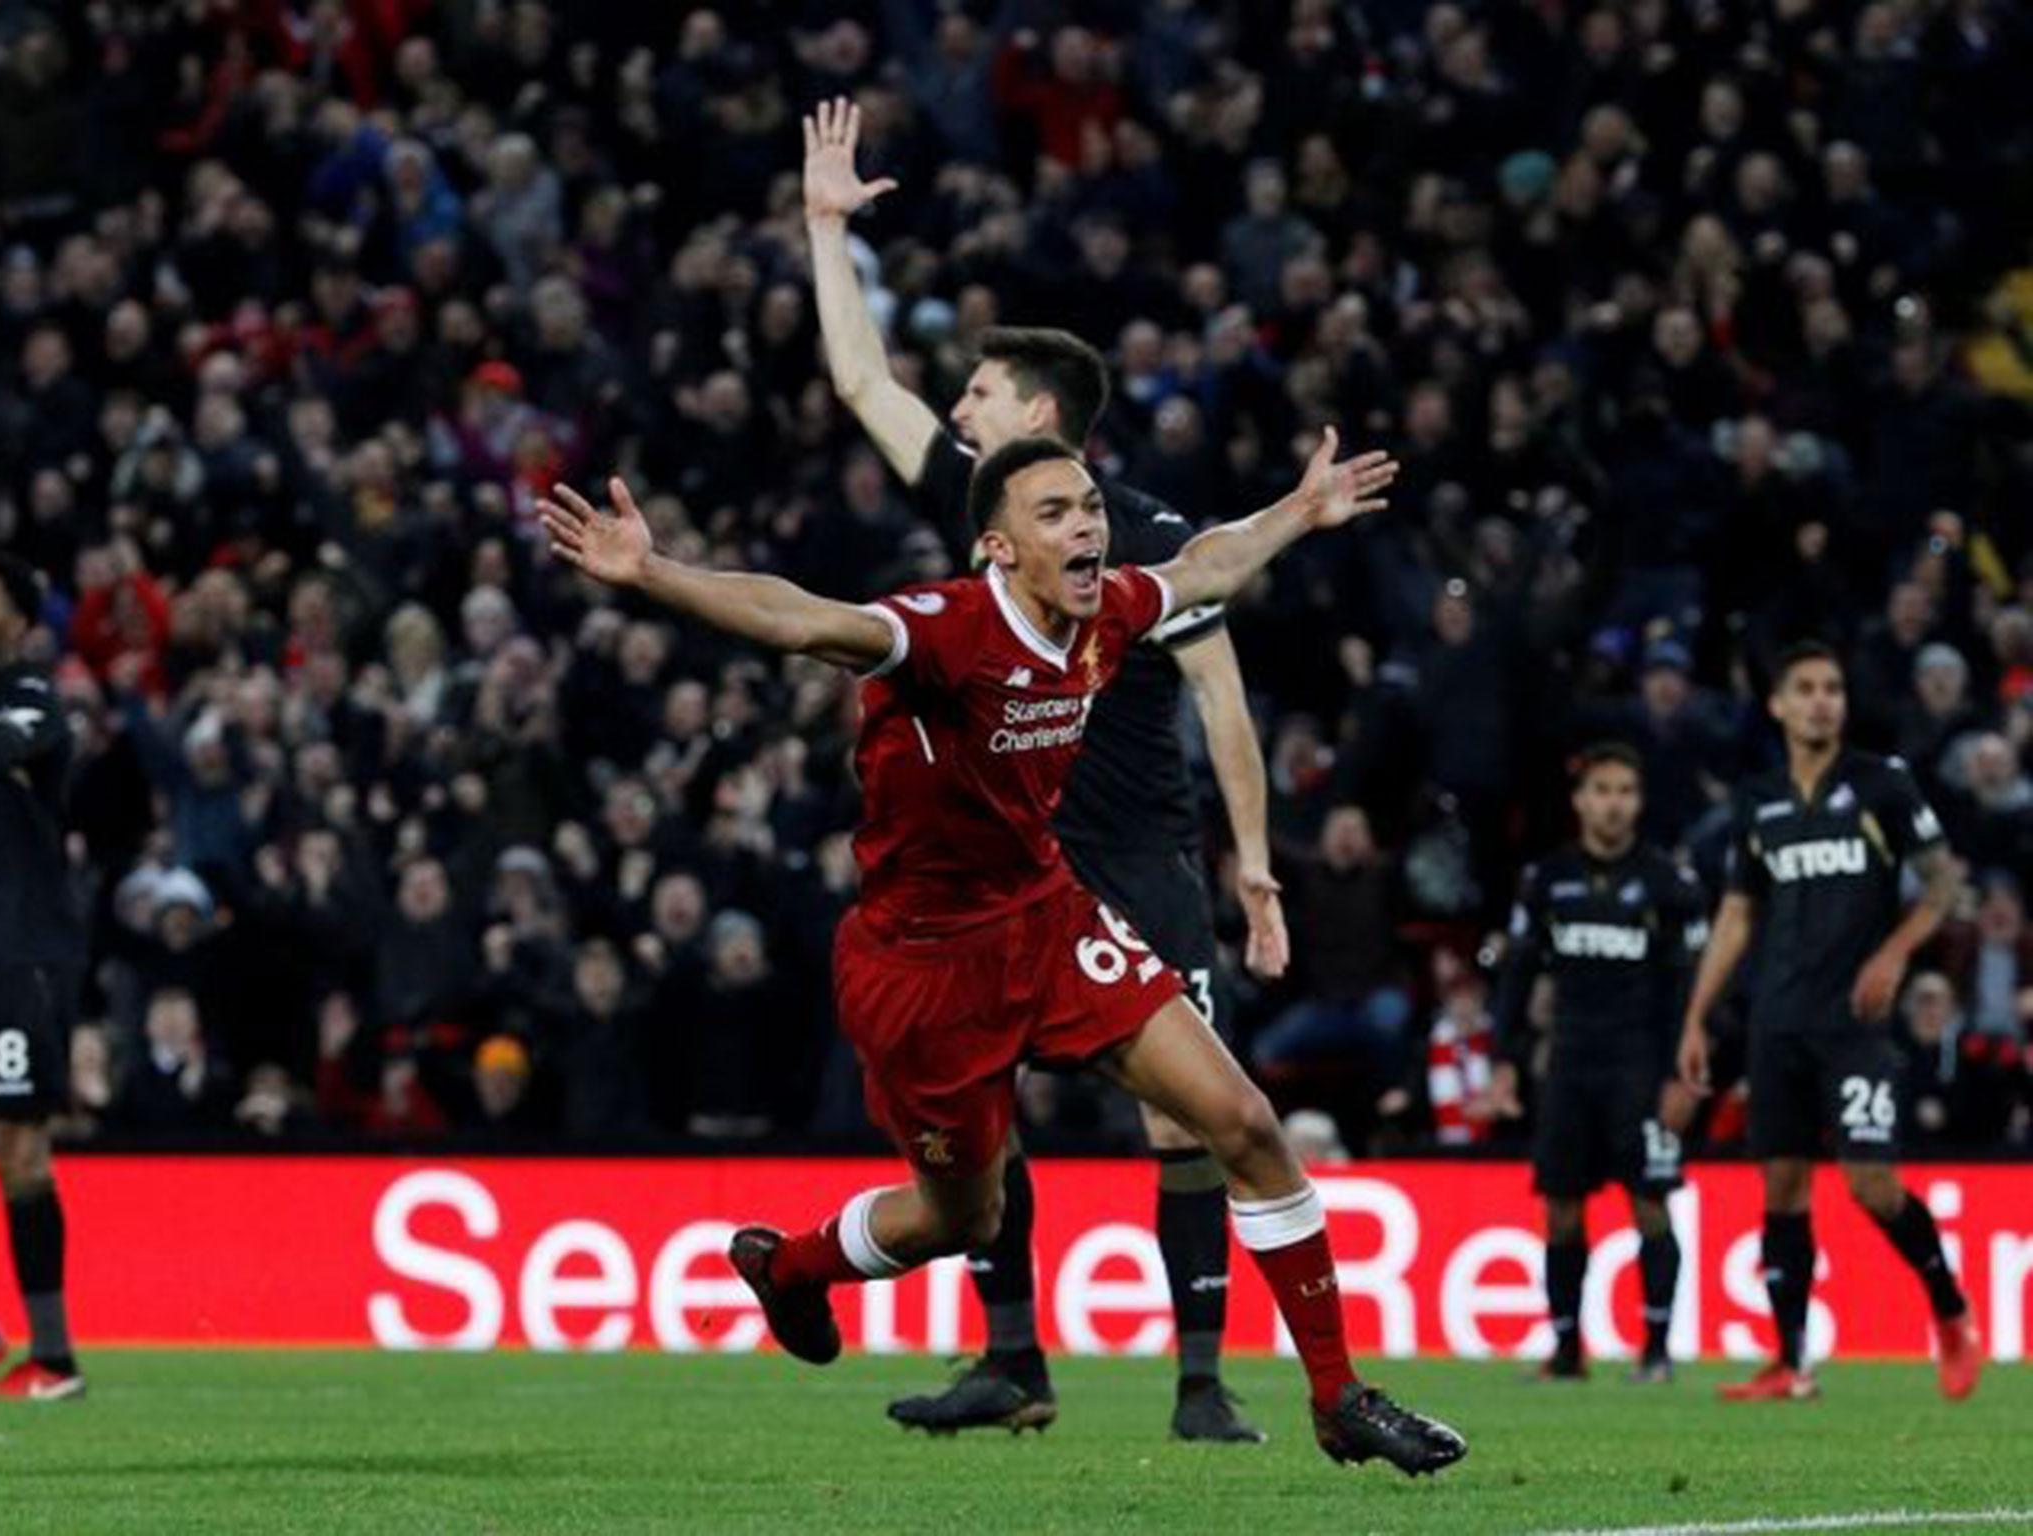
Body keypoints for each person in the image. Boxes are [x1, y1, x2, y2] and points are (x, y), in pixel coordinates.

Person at [537, 434, 1465, 1475]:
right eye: (1056, 513)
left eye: (1089, 507)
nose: (1087, 527)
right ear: (998, 546)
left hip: (1048, 918)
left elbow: (1201, 567)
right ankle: (791, 1266)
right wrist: (653, 571)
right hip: (922, 969)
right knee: (959, 1215)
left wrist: (1300, 510)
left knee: (1243, 1121)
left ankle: (1337, 1396)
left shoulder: (1105, 612)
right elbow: (800, 618)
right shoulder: (943, 631)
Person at [802, 95, 1290, 1442]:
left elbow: (1223, 700)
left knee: (1187, 1122)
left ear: (1043, 412)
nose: (957, 407)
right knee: (984, 1115)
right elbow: (862, 385)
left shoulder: (1142, 537)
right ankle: (1013, 1362)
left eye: (981, 394)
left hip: (1140, 852)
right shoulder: (992, 519)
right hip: (1009, 863)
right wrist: (825, 230)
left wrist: (1255, 872)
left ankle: (1201, 1384)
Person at [1678, 642, 1982, 1402]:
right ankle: (1790, 1362)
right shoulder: (1759, 801)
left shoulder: (1882, 784)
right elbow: (1737, 915)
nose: (1822, 701)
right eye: (1807, 689)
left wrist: (1894, 954)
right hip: (1776, 1022)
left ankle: (1949, 1310)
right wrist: (1695, 1018)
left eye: (1834, 689)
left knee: (1871, 1184)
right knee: (1781, 1189)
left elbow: (1945, 884)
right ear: (1778, 705)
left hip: (1854, 1027)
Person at [1491, 744, 1705, 1385]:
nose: (1614, 803)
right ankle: (1564, 1353)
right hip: (1569, 1062)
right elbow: (1517, 975)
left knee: (1649, 1201)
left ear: (1638, 802)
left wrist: (1682, 1073)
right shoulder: (1548, 879)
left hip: (1642, 1065)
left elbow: (1689, 991)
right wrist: (1505, 1061)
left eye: (1625, 791)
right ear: (1581, 800)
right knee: (1560, 1206)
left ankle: (1658, 1352)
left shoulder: (1670, 884)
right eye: (1603, 790)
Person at [0, 550, 88, 1399]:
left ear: (19, 617)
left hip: (17, 953)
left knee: (19, 1151)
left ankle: (52, 1359)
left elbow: (6, 743)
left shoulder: (32, 701)